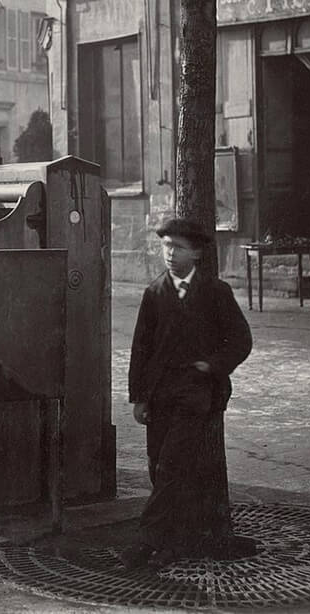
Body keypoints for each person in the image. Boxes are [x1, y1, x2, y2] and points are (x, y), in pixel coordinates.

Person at [124, 217, 253, 568]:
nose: (169, 253)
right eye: (165, 246)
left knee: (171, 465)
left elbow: (241, 341)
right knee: (159, 467)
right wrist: (139, 398)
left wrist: (211, 366)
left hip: (196, 396)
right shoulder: (154, 293)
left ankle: (145, 540)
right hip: (160, 396)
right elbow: (140, 349)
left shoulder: (215, 293)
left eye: (178, 247)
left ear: (195, 253)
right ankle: (172, 543)